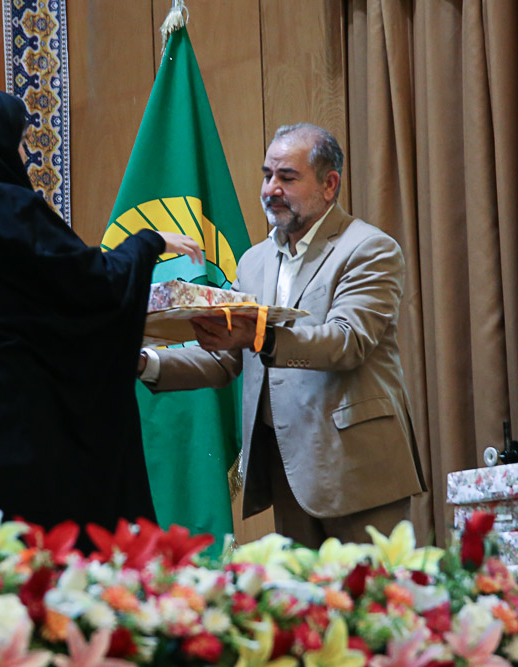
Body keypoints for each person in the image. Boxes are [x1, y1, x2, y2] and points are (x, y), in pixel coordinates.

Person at [0, 87, 202, 545]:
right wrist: (146, 243)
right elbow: (92, 286)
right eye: (18, 142)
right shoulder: (4, 207)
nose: (24, 156)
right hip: (6, 423)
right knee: (23, 572)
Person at [139, 123, 426, 548]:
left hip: (357, 469)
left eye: (287, 177)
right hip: (285, 469)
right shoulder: (253, 261)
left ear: (329, 185)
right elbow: (224, 359)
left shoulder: (368, 248)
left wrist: (261, 337)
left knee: (373, 590)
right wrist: (144, 362)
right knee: (301, 591)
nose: (271, 189)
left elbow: (347, 341)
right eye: (267, 175)